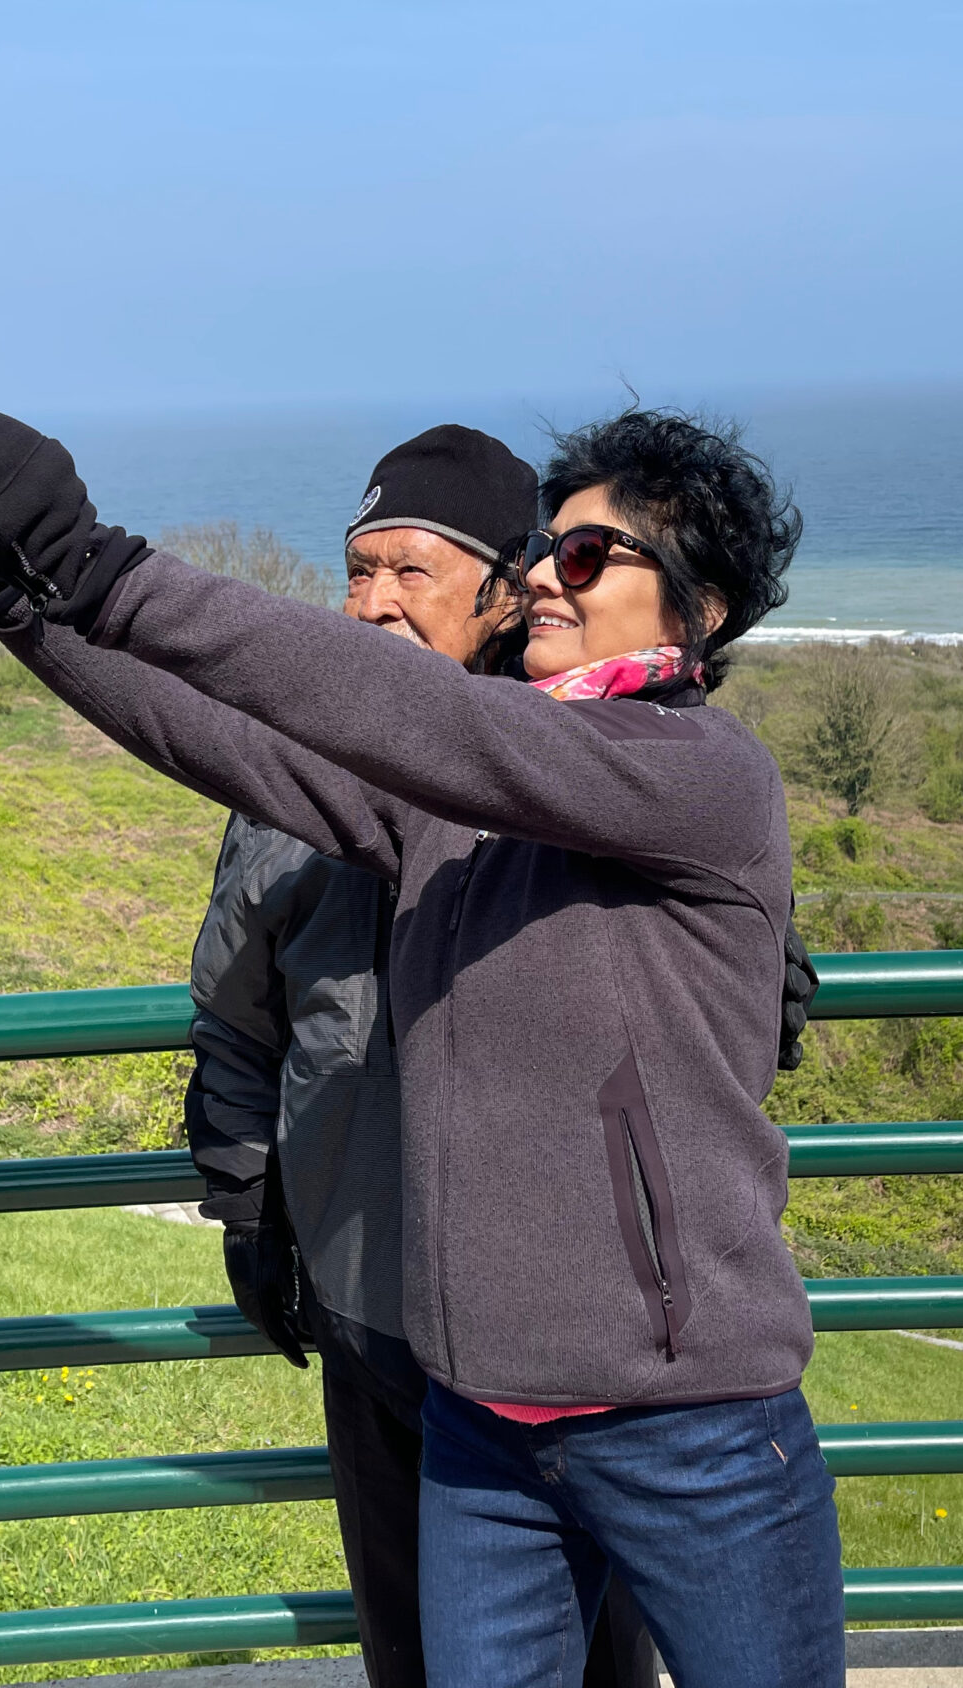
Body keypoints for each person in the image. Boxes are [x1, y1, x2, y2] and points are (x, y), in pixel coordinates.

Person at [0, 393, 841, 1688]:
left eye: (585, 556)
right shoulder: (448, 806)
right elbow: (215, 734)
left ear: (704, 609)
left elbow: (437, 721)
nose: (544, 579)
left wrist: (87, 556)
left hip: (688, 1429)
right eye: (543, 552)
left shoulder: (700, 771)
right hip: (481, 1425)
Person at [184, 423, 655, 1688]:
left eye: (412, 571)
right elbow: (237, 1014)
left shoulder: (589, 760)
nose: (375, 603)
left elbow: (728, 978)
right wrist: (250, 1208)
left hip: (565, 1323)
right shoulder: (291, 771)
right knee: (411, 1647)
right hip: (370, 1298)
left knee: (598, 1651)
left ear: (506, 591)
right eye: (359, 569)